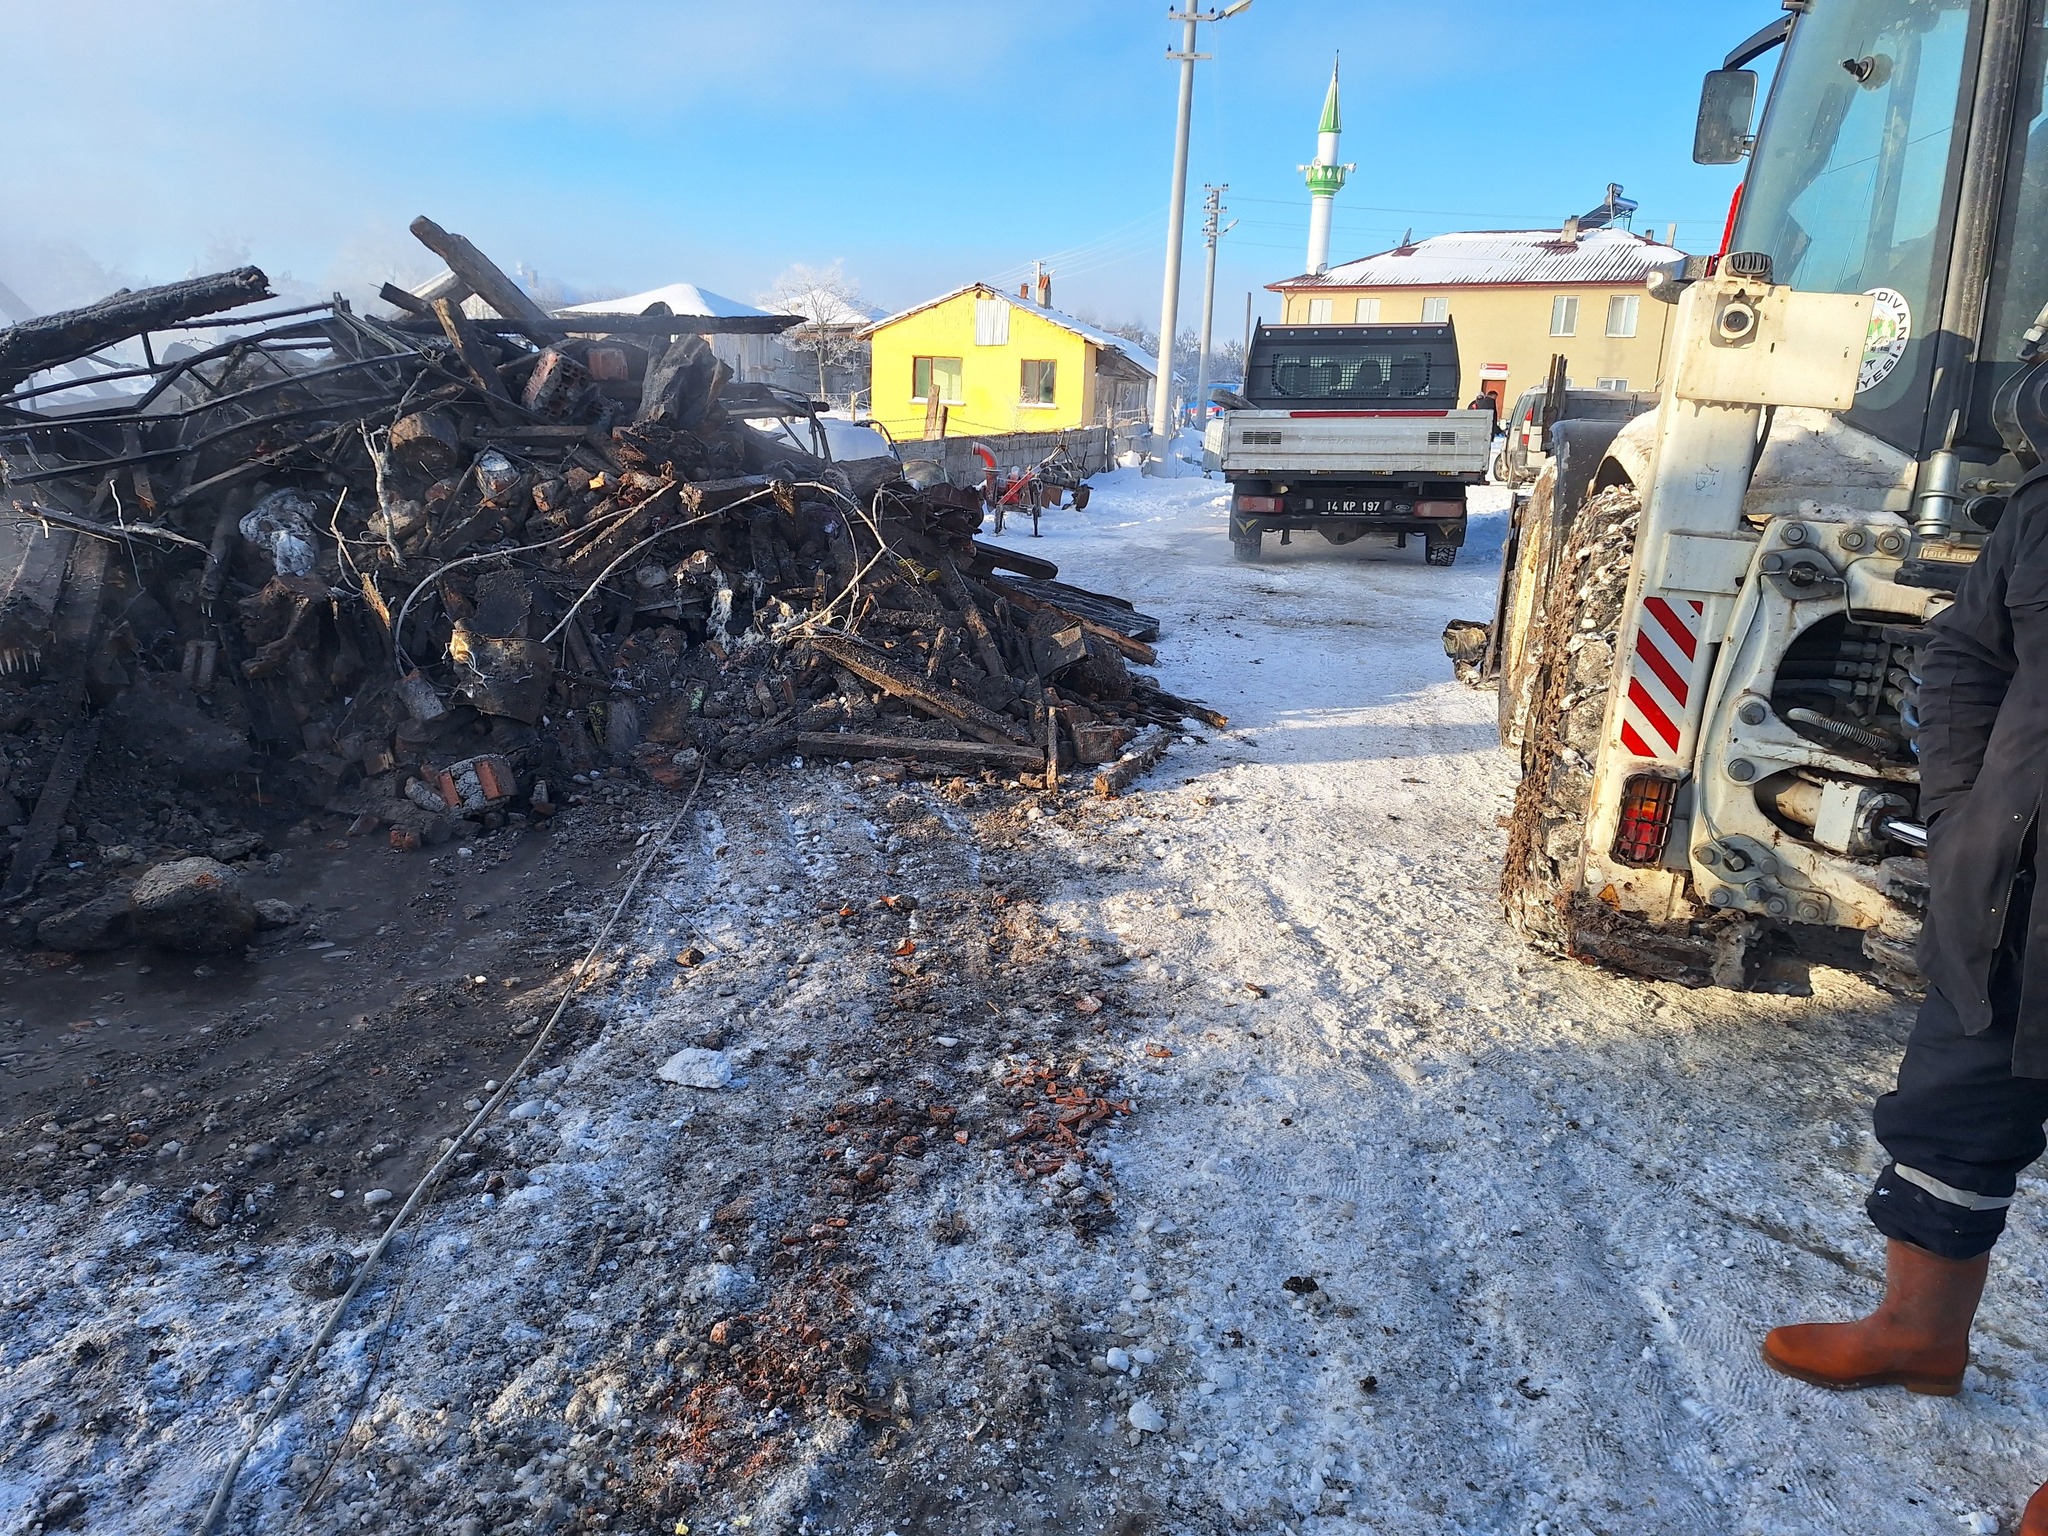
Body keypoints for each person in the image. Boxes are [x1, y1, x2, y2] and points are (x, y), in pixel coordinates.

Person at [1761, 470, 2048, 1533]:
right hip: (2009, 888)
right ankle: (1920, 1333)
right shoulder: (2042, 501)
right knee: (1948, 1117)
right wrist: (1962, 805)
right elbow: (1970, 653)